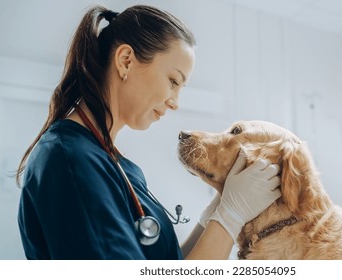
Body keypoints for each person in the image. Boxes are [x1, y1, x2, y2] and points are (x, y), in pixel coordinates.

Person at [16, 5, 281, 260]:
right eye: (173, 81)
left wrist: (214, 215)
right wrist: (231, 216)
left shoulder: (117, 165)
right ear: (126, 61)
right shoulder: (71, 161)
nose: (175, 102)